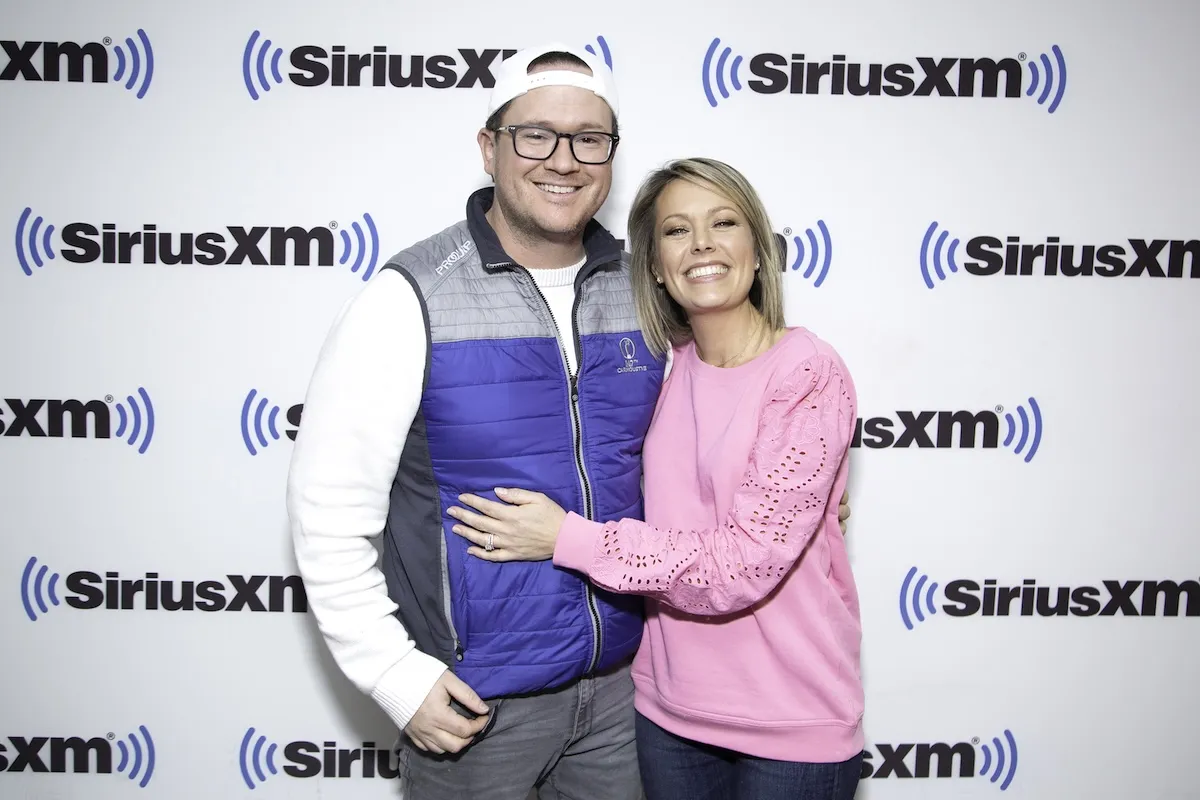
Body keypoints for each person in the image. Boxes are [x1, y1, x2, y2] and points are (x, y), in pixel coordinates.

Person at [287, 41, 851, 799]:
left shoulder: (646, 297)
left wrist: (804, 495)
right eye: (536, 135)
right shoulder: (408, 298)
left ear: (611, 154)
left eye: (589, 138)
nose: (564, 159)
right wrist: (391, 674)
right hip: (479, 708)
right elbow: (328, 508)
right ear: (490, 148)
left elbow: (727, 432)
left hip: (628, 698)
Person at [446, 157, 864, 800]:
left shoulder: (806, 372)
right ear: (656, 266)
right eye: (675, 230)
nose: (700, 244)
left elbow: (742, 566)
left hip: (790, 721)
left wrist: (569, 539)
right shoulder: (659, 368)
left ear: (759, 250)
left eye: (723, 222)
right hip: (667, 712)